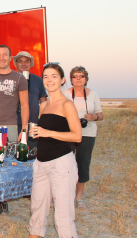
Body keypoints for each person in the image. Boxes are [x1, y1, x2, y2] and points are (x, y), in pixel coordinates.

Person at [28, 63, 82, 238]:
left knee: (63, 216)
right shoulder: (43, 106)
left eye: (54, 76)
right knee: (36, 210)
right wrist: (36, 134)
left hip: (61, 165)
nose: (49, 80)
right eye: (45, 76)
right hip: (41, 164)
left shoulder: (67, 104)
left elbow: (77, 136)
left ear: (62, 80)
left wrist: (47, 132)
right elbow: (46, 133)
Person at [62, 66, 103, 209]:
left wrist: (94, 116)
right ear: (71, 79)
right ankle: (64, 195)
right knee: (64, 165)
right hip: (68, 133)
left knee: (83, 164)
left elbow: (100, 114)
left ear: (86, 79)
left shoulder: (93, 94)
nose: (78, 79)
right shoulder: (65, 94)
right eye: (75, 76)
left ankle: (78, 197)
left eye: (81, 76)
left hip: (87, 133)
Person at [13, 51, 47, 150]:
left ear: (30, 63)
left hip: (32, 124)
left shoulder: (38, 80)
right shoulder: (11, 79)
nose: (23, 64)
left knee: (33, 155)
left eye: (26, 61)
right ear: (16, 63)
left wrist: (43, 122)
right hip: (13, 124)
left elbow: (44, 102)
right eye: (20, 61)